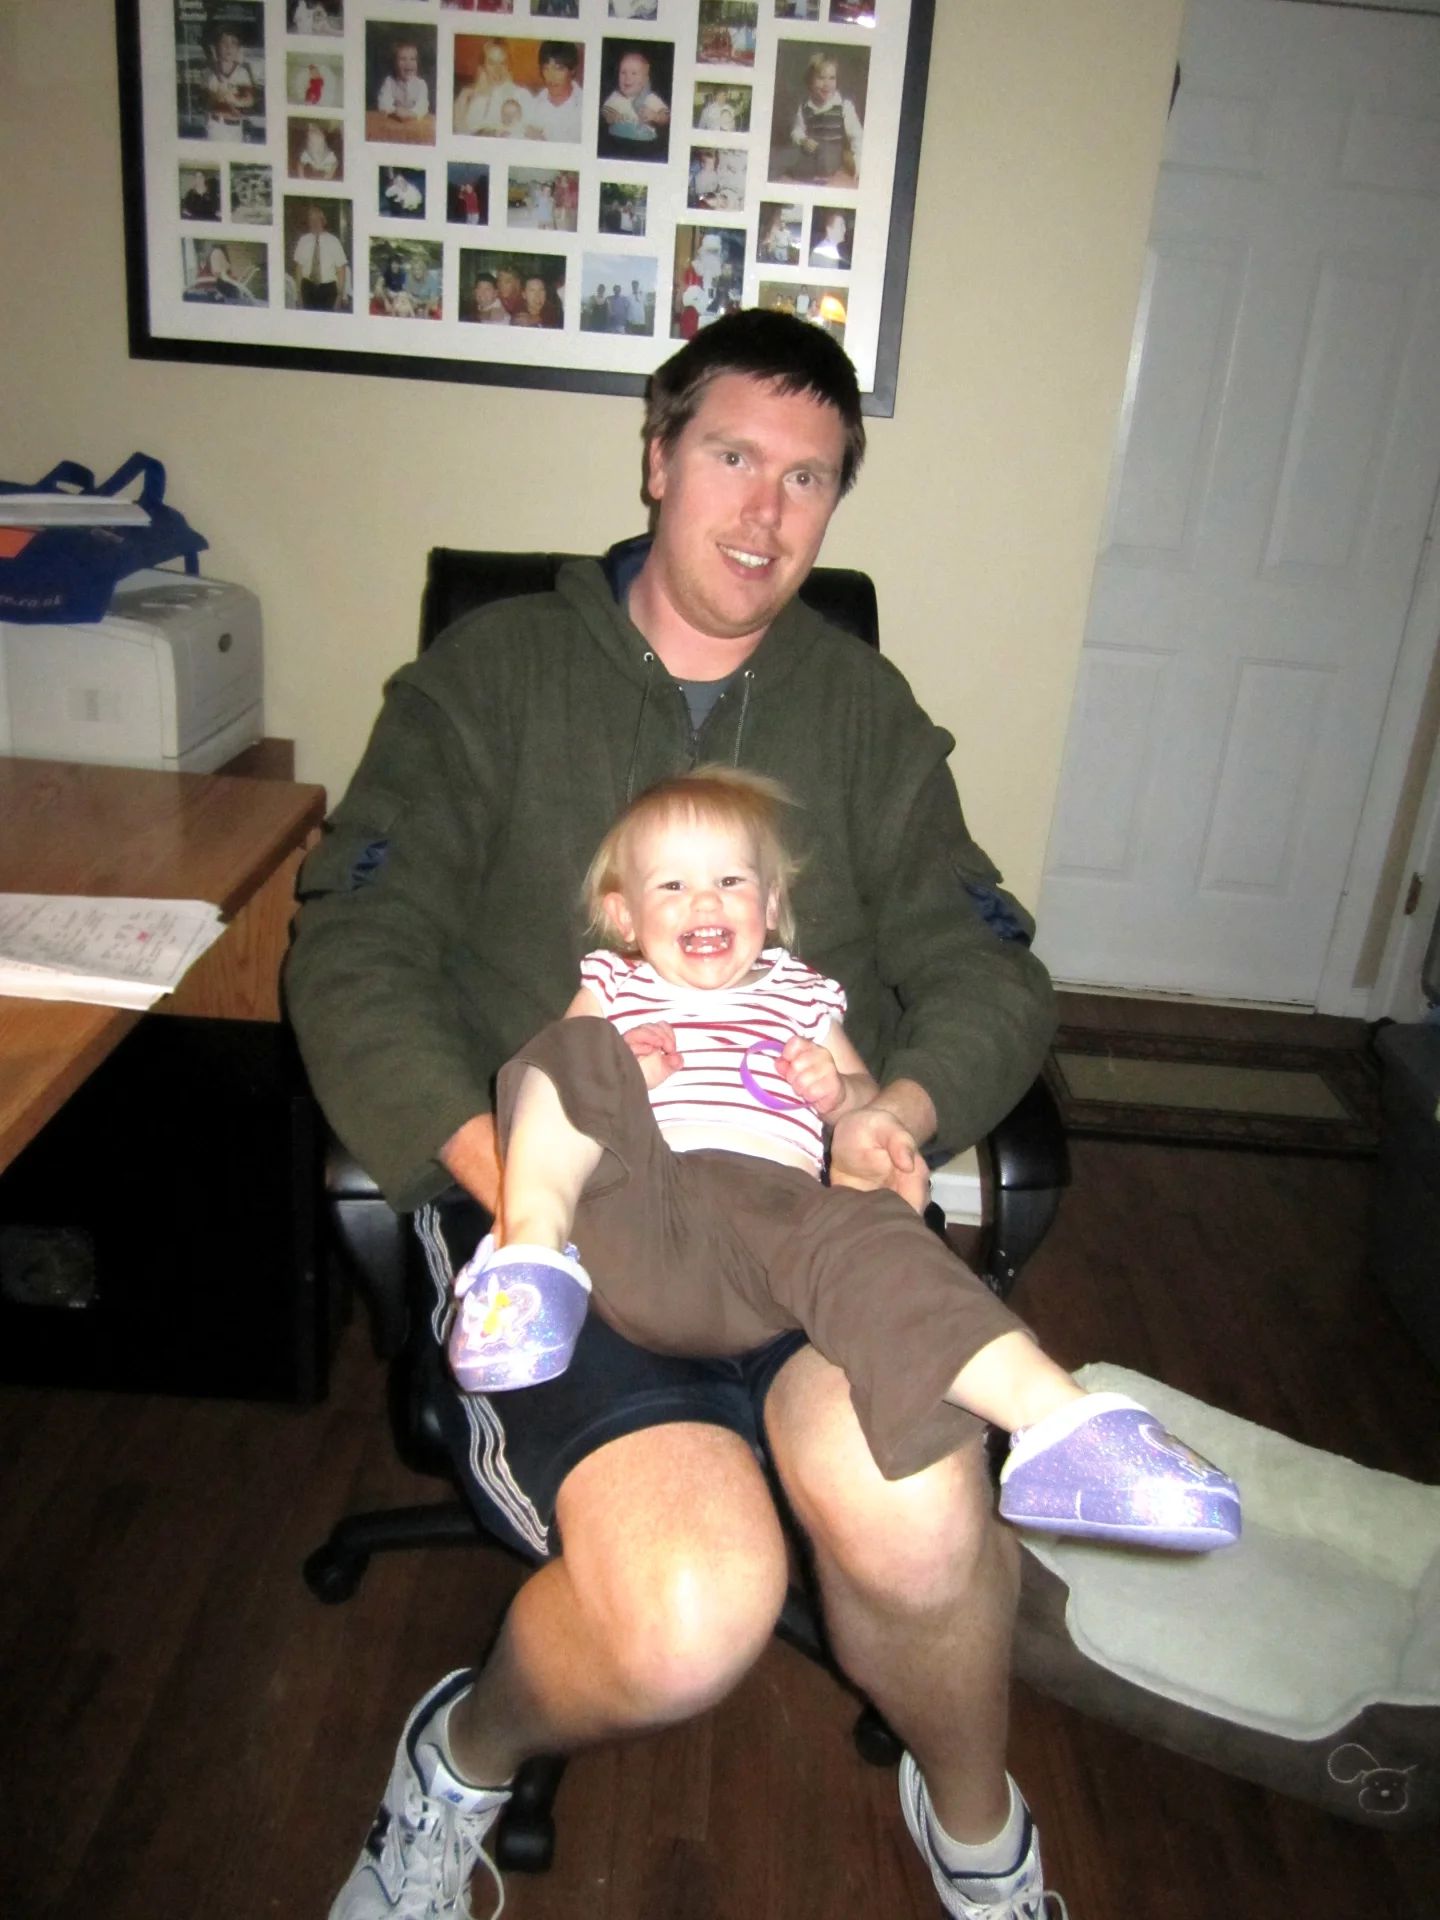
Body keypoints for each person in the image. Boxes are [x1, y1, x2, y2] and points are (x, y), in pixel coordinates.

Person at [289, 310, 1064, 1920]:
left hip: (804, 1211)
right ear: (656, 459)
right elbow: (354, 949)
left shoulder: (863, 710)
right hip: (562, 1219)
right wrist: (516, 1186)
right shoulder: (490, 679)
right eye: (731, 457)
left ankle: (978, 1833)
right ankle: (463, 1756)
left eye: (810, 479)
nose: (766, 515)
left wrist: (898, 1107)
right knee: (689, 1609)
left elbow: (986, 963)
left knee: (924, 1529)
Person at [451, 763, 1242, 1541]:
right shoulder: (615, 989)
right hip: (638, 1220)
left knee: (880, 1240)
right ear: (623, 918)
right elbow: (556, 1097)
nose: (706, 900)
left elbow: (866, 1107)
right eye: (673, 885)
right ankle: (528, 1259)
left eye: (731, 881)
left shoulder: (801, 997)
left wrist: (838, 1093)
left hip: (778, 1231)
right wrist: (625, 1071)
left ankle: (1062, 1426)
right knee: (571, 1049)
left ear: (771, 903)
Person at [777, 51, 864, 183]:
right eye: (821, 78)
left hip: (832, 154)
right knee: (788, 153)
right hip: (810, 153)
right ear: (810, 81)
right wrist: (803, 141)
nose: (826, 84)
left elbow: (857, 135)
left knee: (825, 156)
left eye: (832, 78)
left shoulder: (843, 105)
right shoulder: (805, 107)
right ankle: (801, 173)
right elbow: (797, 131)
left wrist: (858, 163)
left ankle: (806, 172)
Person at [456, 37, 531, 135]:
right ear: (483, 66)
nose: (497, 69)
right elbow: (458, 134)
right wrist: (469, 95)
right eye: (491, 63)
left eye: (502, 63)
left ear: (509, 65)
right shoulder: (469, 96)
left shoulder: (522, 95)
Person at [601, 48, 669, 141]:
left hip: (644, 142)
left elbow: (666, 116)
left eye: (634, 73)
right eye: (623, 72)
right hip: (618, 140)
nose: (627, 77)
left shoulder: (650, 98)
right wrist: (613, 117)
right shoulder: (616, 96)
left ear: (645, 80)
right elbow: (606, 112)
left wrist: (656, 116)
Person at [201, 27, 257, 141]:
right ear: (217, 47)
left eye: (233, 44)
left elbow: (249, 101)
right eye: (224, 43)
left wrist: (233, 100)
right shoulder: (209, 73)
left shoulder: (242, 72)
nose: (228, 47)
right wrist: (217, 95)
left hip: (234, 128)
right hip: (214, 125)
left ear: (238, 49)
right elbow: (204, 103)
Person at [524, 41, 583, 143]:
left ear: (572, 70)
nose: (551, 76)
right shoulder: (534, 105)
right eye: (546, 68)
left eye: (558, 69)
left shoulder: (584, 105)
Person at [292, 203, 348, 309]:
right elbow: (299, 269)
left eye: (317, 219)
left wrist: (340, 296)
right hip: (307, 287)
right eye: (311, 219)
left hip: (328, 289)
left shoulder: (334, 241)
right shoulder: (303, 241)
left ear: (323, 221)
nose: (314, 223)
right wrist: (298, 294)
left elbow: (341, 270)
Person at [376, 39, 429, 122]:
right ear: (395, 64)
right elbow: (383, 103)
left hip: (414, 122)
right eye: (403, 59)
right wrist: (395, 111)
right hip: (394, 120)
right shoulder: (389, 82)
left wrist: (411, 113)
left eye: (412, 59)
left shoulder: (421, 84)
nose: (408, 63)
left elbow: (423, 106)